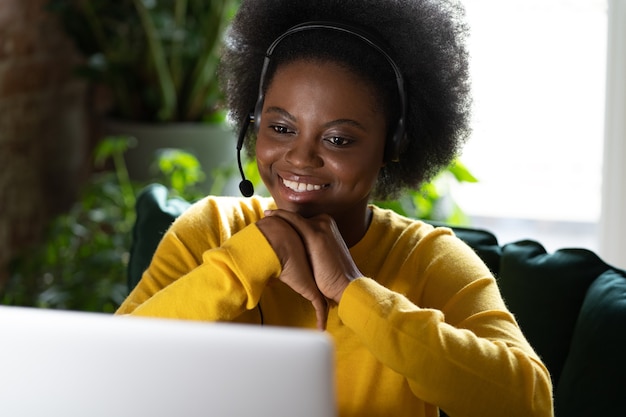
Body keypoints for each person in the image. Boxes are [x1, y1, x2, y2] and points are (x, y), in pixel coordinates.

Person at [116, 0, 554, 416]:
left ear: (393, 144)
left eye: (338, 139)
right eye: (282, 127)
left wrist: (352, 289)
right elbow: (111, 370)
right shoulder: (210, 230)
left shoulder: (428, 260)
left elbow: (528, 404)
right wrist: (246, 260)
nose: (300, 158)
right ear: (253, 122)